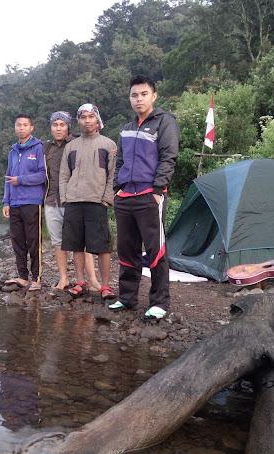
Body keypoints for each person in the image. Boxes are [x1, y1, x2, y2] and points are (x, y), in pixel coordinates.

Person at [108, 75, 180, 320]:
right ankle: (127, 298)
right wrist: (117, 188)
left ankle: (159, 301)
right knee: (126, 250)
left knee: (155, 250)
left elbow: (168, 157)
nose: (139, 99)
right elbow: (119, 161)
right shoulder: (126, 129)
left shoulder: (165, 122)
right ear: (130, 98)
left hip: (150, 195)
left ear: (154, 96)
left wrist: (158, 190)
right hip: (125, 196)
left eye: (144, 94)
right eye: (134, 95)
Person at [59, 104, 117, 300]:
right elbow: (64, 176)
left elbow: (112, 175)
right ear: (79, 121)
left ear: (97, 119)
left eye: (91, 117)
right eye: (83, 117)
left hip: (97, 202)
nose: (87, 121)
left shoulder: (108, 145)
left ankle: (106, 286)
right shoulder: (71, 147)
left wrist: (107, 200)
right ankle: (80, 282)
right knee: (76, 244)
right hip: (74, 201)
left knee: (102, 246)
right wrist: (65, 198)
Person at [43, 111, 102, 291]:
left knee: (81, 242)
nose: (58, 128)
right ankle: (63, 279)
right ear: (51, 127)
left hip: (75, 200)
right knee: (58, 243)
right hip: (52, 200)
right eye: (55, 125)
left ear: (69, 126)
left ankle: (91, 279)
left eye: (62, 124)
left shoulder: (78, 142)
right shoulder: (46, 148)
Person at [2, 114, 47, 291]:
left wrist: (20, 180)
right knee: (18, 241)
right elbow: (7, 178)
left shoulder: (39, 148)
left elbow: (43, 175)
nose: (21, 128)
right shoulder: (12, 152)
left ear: (31, 128)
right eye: (19, 125)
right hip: (14, 203)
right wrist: (6, 201)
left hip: (32, 201)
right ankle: (22, 276)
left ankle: (37, 277)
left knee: (33, 240)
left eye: (25, 125)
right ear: (15, 128)